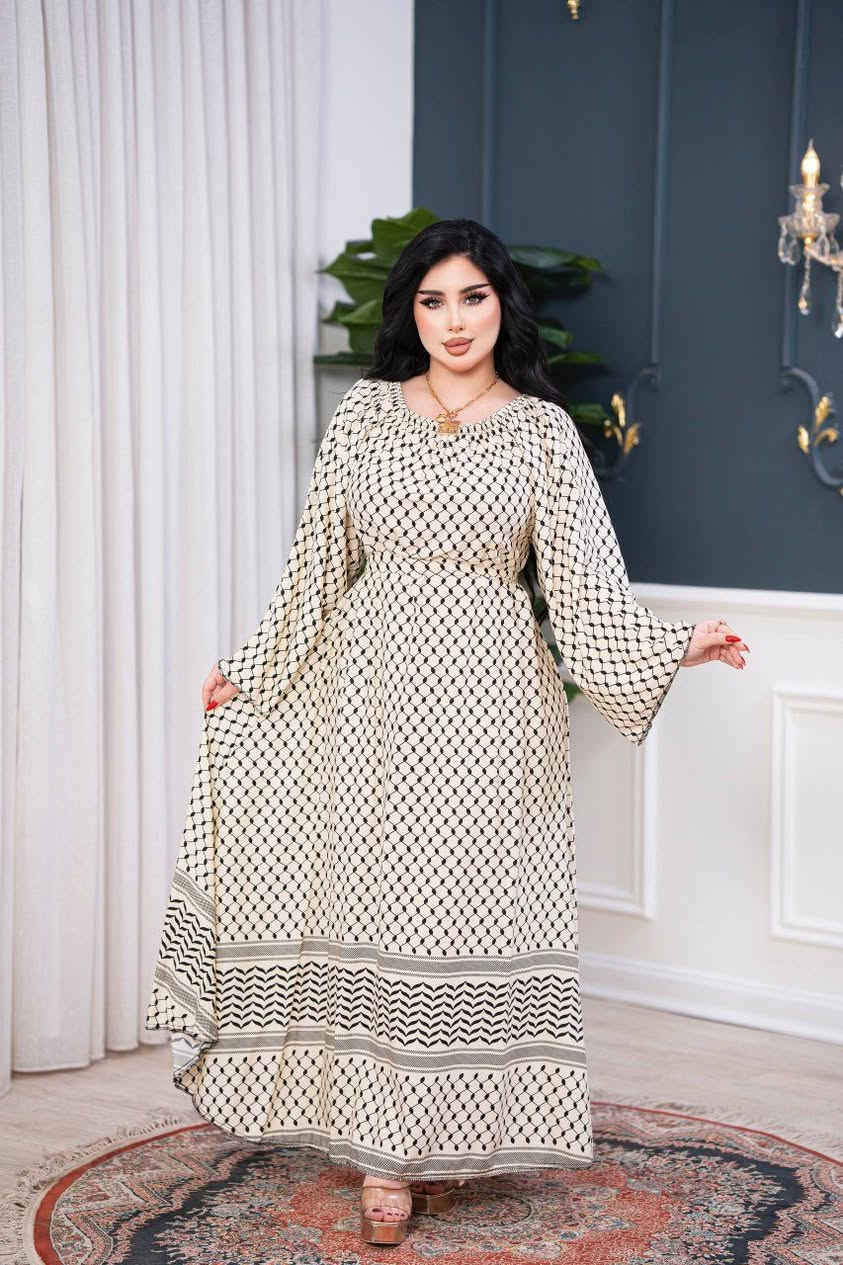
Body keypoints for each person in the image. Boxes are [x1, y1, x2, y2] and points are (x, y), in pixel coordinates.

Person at [145, 217, 749, 1247]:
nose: (454, 320)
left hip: (492, 704)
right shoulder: (365, 415)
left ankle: (445, 1130)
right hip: (366, 696)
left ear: (502, 304)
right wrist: (250, 669)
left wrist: (676, 644)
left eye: (473, 296)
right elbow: (316, 562)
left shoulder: (541, 431)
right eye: (433, 300)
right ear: (411, 313)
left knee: (461, 915)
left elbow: (582, 589)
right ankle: (384, 1157)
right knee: (378, 908)